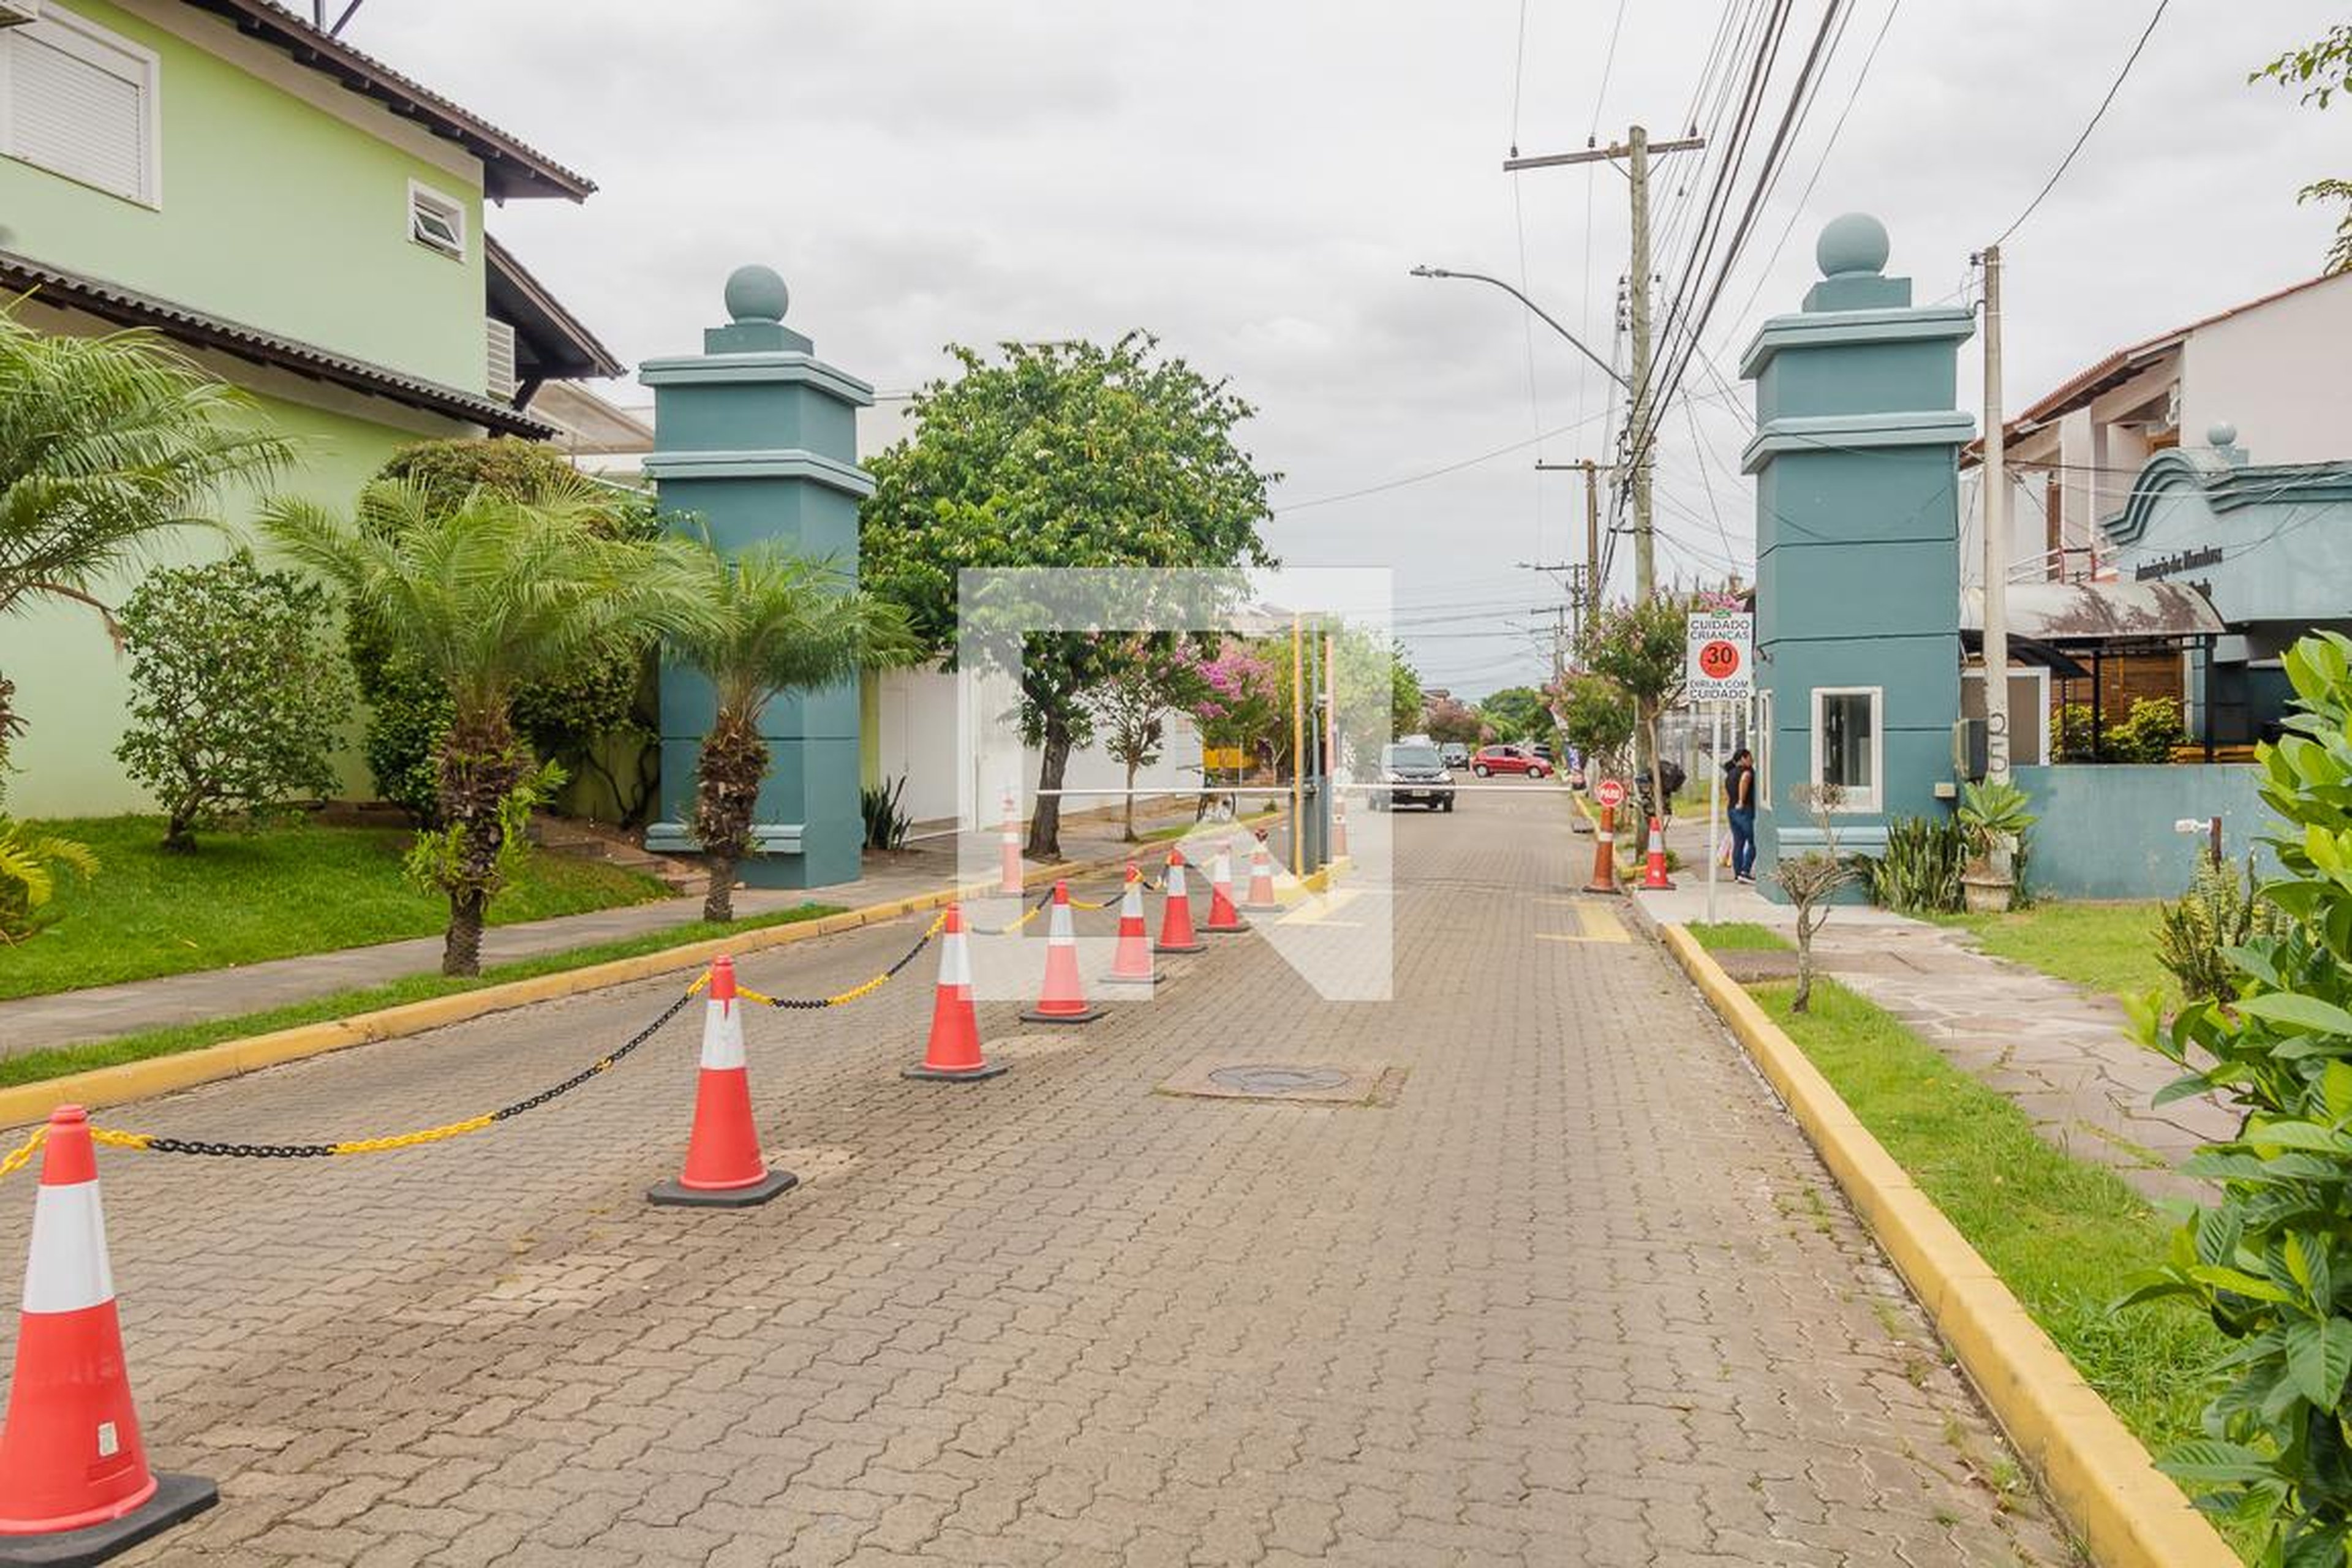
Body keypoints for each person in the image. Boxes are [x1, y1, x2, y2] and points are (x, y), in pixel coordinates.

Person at [1724, 747, 1757, 883]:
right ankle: (1745, 871)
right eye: (1750, 757)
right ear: (1743, 758)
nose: (1752, 760)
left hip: (1731, 810)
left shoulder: (1730, 773)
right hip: (1743, 810)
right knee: (1754, 841)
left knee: (1738, 842)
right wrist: (1741, 801)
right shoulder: (1747, 771)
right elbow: (1745, 779)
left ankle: (1738, 874)